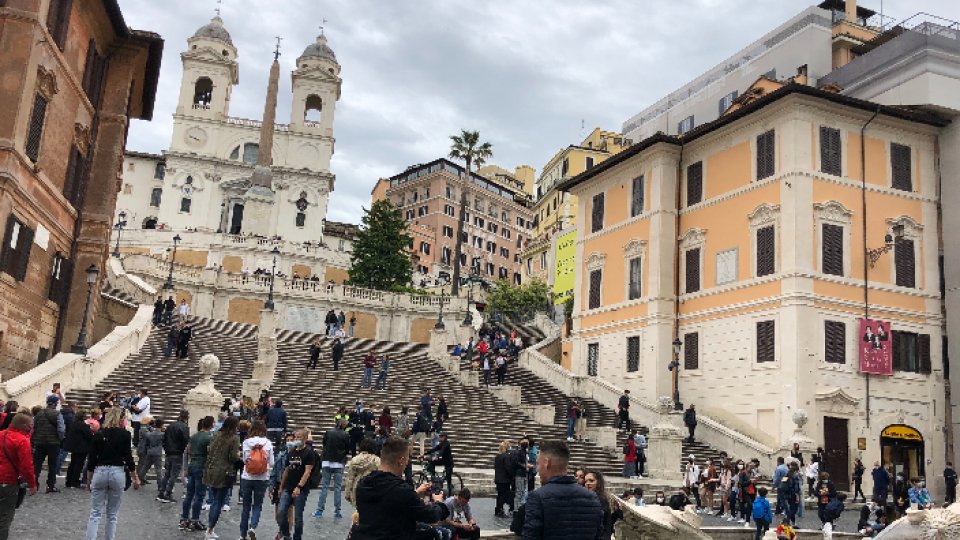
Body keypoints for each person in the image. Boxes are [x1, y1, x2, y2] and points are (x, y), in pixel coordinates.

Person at [354, 437, 449, 540]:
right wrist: (439, 503)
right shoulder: (402, 490)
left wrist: (415, 494)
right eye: (407, 460)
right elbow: (430, 515)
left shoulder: (363, 484)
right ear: (402, 461)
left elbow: (387, 505)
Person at [522, 440, 603, 539]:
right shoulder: (592, 497)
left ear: (547, 463)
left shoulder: (537, 497)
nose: (538, 470)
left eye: (538, 464)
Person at [85, 407, 140, 540]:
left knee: (95, 513)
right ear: (121, 419)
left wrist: (89, 480)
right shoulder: (125, 435)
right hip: (117, 472)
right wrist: (135, 478)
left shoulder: (99, 434)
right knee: (112, 514)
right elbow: (128, 458)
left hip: (100, 471)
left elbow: (91, 459)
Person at [0, 412, 37, 539]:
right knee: (5, 516)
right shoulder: (23, 440)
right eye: (30, 425)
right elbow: (27, 466)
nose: (31, 427)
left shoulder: (1, 434)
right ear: (24, 426)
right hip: (8, 481)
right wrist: (32, 484)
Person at [203, 415, 240, 540]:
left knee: (214, 500)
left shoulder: (215, 435)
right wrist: (239, 455)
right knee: (218, 502)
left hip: (211, 469)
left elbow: (210, 450)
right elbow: (233, 457)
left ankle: (210, 528)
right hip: (224, 472)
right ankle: (210, 529)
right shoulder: (234, 438)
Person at [277, 429, 317, 540]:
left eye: (299, 437)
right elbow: (286, 470)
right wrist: (281, 486)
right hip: (288, 487)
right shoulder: (291, 452)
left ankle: (297, 537)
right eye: (296, 437)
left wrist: (299, 487)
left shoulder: (309, 452)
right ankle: (286, 534)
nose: (296, 439)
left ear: (304, 439)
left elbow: (307, 471)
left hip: (301, 489)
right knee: (281, 512)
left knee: (298, 518)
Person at [239, 420, 274, 540]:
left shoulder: (246, 442)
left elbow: (244, 460)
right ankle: (253, 527)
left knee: (246, 507)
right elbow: (272, 462)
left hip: (247, 477)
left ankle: (242, 535)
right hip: (262, 478)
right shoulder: (268, 443)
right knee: (258, 505)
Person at [180, 415, 214, 532]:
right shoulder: (209, 437)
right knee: (199, 495)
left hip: (192, 465)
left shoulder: (194, 436)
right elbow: (211, 454)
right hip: (201, 466)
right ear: (212, 424)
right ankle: (195, 520)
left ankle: (184, 519)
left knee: (189, 494)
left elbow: (187, 451)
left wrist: (185, 467)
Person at [313, 418, 349, 519]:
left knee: (324, 486)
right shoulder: (346, 435)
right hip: (339, 462)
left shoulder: (328, 432)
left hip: (327, 461)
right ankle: (337, 511)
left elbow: (324, 444)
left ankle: (319, 510)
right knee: (337, 488)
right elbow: (347, 448)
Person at [32, 394, 64, 493]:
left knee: (37, 464)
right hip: (53, 443)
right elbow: (61, 429)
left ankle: (34, 483)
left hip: (40, 442)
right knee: (52, 465)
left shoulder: (39, 414)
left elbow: (34, 428)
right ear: (55, 404)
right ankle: (51, 485)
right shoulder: (57, 414)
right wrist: (60, 439)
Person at [157, 409, 189, 503]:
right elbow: (185, 441)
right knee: (173, 475)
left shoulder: (170, 426)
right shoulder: (184, 427)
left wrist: (166, 449)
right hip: (178, 453)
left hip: (169, 452)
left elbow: (164, 439)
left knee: (167, 474)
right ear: (187, 417)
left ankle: (161, 492)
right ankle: (168, 494)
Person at [584, 470, 613, 540]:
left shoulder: (601, 500)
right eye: (586, 481)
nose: (587, 483)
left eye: (591, 481)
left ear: (598, 482)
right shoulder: (585, 498)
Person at [135, 416, 164, 489]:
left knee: (145, 466)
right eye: (151, 420)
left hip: (149, 451)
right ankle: (138, 479)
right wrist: (159, 430)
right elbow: (150, 436)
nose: (153, 421)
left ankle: (141, 478)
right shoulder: (144, 429)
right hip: (145, 450)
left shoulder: (148, 429)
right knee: (143, 465)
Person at [494, 440, 514, 517]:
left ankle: (498, 509)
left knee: (499, 495)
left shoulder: (497, 457)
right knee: (504, 495)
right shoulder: (506, 456)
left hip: (498, 479)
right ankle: (501, 510)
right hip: (505, 480)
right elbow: (508, 468)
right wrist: (512, 475)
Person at [513, 437, 532, 508]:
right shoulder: (520, 452)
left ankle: (520, 507)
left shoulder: (525, 452)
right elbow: (517, 462)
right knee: (519, 492)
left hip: (524, 474)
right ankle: (516, 509)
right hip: (520, 474)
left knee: (523, 492)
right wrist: (525, 466)